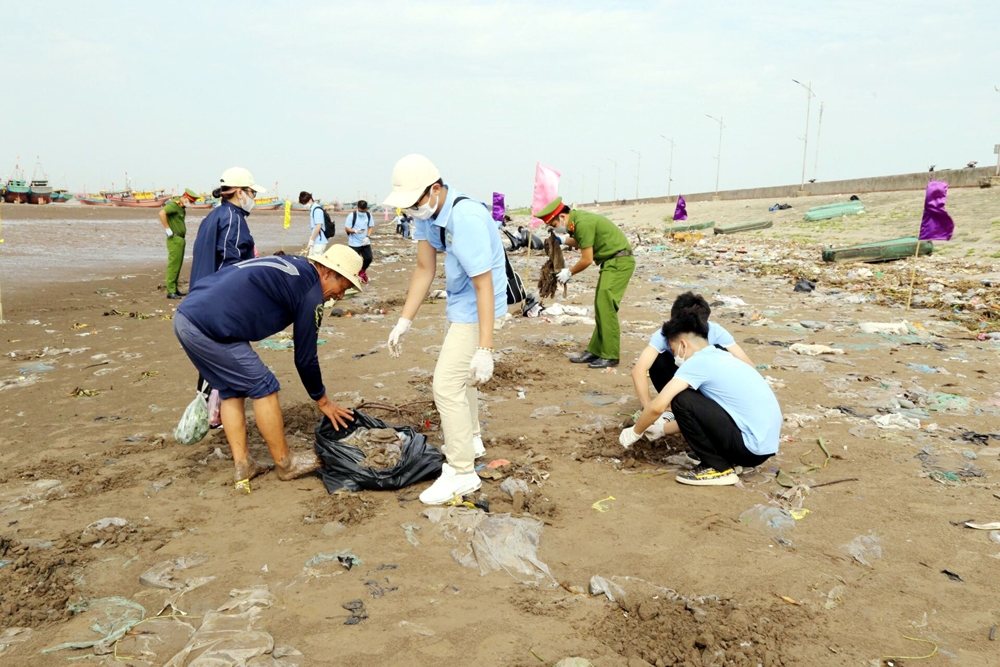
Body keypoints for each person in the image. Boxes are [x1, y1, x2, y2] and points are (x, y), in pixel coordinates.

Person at [174, 245, 362, 490]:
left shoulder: (295, 266)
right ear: (327, 272)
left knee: (231, 388)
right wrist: (322, 400)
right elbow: (305, 357)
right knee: (264, 385)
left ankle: (243, 464)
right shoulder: (311, 290)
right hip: (210, 327)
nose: (338, 296)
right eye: (343, 288)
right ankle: (286, 463)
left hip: (186, 317)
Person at [382, 154, 506, 505]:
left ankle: (462, 472)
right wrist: (404, 320)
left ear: (435, 189)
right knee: (460, 377)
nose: (411, 210)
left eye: (414, 202)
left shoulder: (464, 217)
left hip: (480, 307)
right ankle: (473, 439)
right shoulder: (427, 213)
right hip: (460, 303)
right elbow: (424, 268)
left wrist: (486, 348)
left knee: (446, 384)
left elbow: (485, 286)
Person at [619, 302, 782, 486]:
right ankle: (726, 460)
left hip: (749, 448)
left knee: (681, 398)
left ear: (682, 344)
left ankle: (717, 468)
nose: (674, 357)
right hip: (761, 447)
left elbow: (658, 406)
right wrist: (662, 430)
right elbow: (706, 418)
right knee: (691, 401)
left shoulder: (697, 363)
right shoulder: (722, 356)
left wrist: (635, 431)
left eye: (673, 351)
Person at [536, 197, 634, 368]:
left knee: (606, 307)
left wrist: (569, 272)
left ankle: (610, 355)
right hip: (612, 262)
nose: (555, 227)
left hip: (619, 262)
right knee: (601, 306)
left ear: (562, 217)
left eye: (554, 224)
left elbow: (587, 258)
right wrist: (564, 240)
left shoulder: (583, 223)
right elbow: (583, 241)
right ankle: (595, 350)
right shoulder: (577, 222)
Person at [631, 292, 754, 409]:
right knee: (658, 360)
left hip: (707, 384)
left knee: (723, 352)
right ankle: (671, 407)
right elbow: (639, 370)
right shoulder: (664, 334)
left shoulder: (716, 332)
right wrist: (647, 407)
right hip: (677, 380)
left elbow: (747, 365)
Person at [189, 167, 264, 290]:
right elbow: (231, 266)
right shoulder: (233, 219)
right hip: (216, 295)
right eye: (252, 193)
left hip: (200, 290)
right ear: (240, 192)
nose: (253, 198)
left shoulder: (214, 215)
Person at [159, 188, 198, 299]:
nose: (191, 203)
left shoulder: (181, 207)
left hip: (180, 238)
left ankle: (174, 289)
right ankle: (171, 290)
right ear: (185, 197)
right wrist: (167, 229)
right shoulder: (174, 205)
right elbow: (162, 213)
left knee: (178, 265)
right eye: (190, 201)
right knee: (174, 265)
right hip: (174, 238)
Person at [345, 200, 374, 284]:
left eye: (364, 210)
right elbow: (347, 228)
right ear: (357, 208)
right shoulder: (352, 215)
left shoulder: (368, 215)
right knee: (353, 261)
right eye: (361, 210)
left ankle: (362, 272)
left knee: (368, 258)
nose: (362, 212)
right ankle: (352, 277)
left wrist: (367, 237)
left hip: (365, 241)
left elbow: (371, 227)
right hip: (354, 242)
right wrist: (355, 231)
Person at [302, 191, 328, 255]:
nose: (305, 205)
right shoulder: (312, 209)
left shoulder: (317, 210)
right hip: (315, 240)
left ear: (310, 199)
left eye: (306, 203)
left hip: (319, 241)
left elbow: (318, 226)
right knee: (311, 260)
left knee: (315, 262)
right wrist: (312, 239)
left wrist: (312, 239)